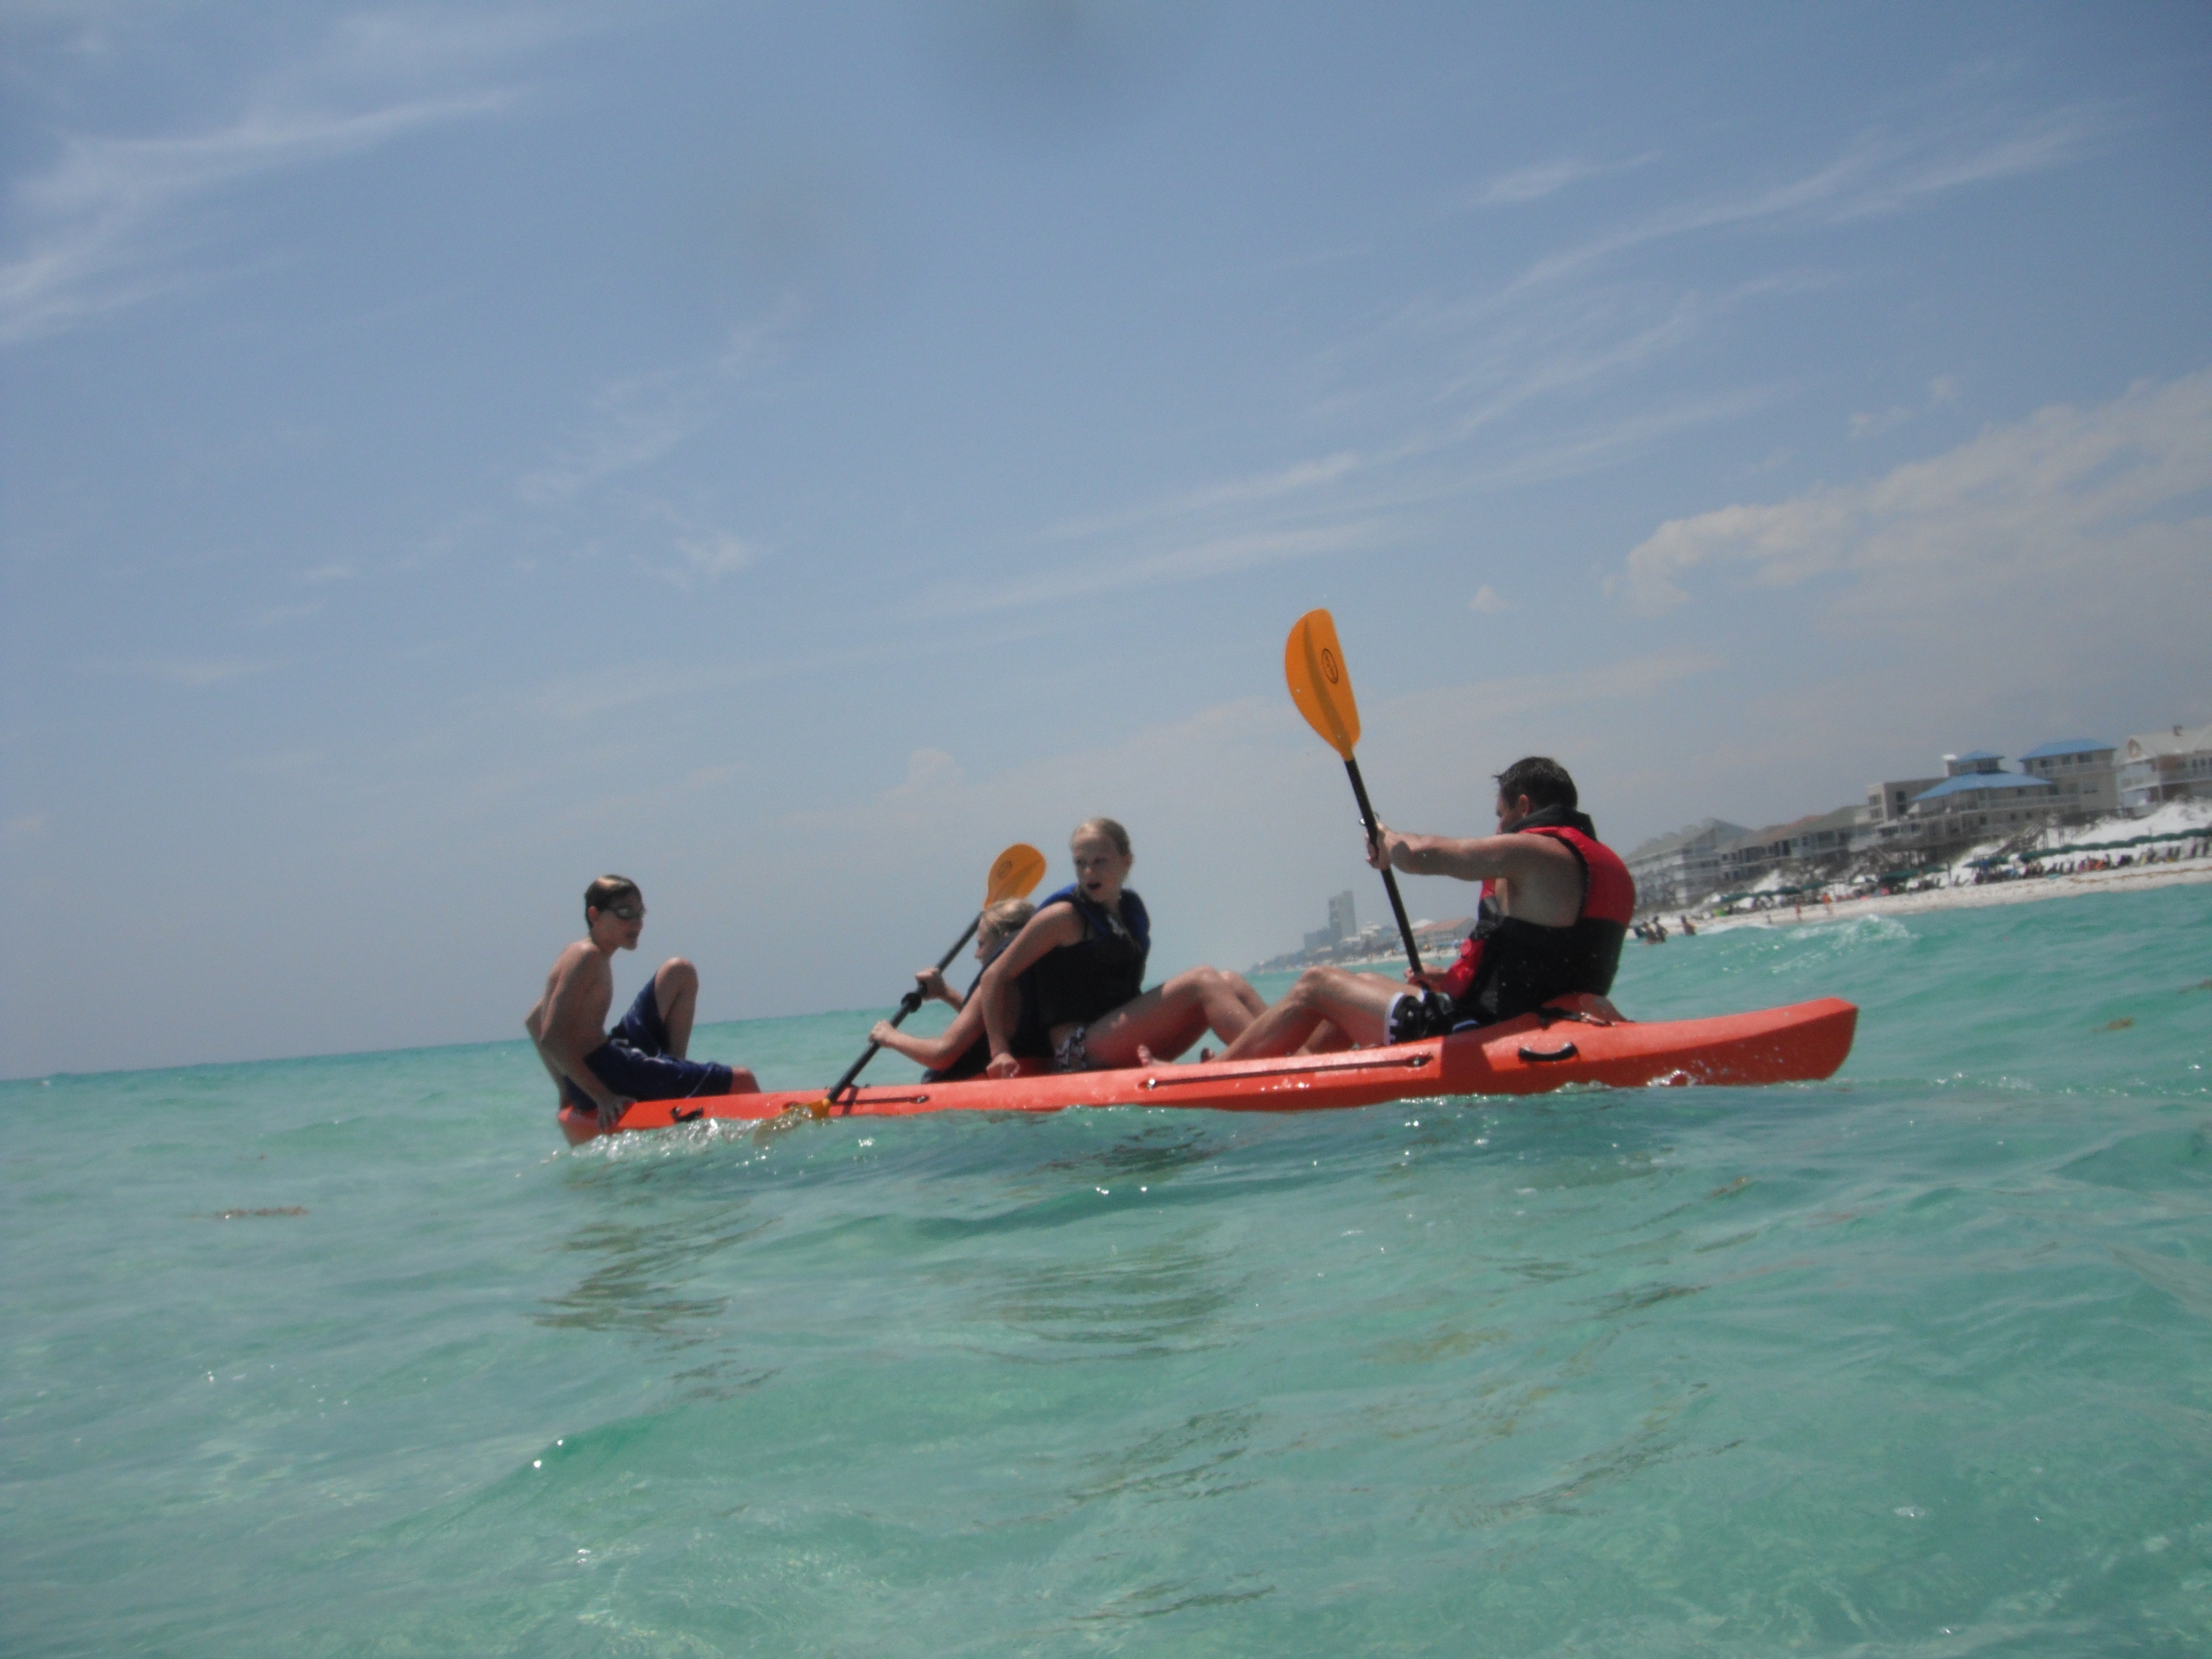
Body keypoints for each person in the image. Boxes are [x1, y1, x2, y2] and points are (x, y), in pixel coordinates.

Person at [1211, 757, 1634, 1061]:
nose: (1498, 829)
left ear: (1525, 807)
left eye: (1501, 816)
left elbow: (1421, 854)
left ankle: (1219, 1075)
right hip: (1545, 1022)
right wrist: (1449, 979)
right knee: (1365, 982)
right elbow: (1543, 963)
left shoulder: (1535, 851)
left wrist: (1386, 839)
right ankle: (1298, 1070)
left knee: (1316, 984)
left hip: (1482, 1034)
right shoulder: (1609, 869)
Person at [973, 818, 1266, 1077]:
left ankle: (1299, 1057)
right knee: (1203, 981)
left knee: (1230, 982)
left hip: (1119, 1038)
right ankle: (1263, 1060)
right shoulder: (1063, 918)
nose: (1089, 871)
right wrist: (999, 1051)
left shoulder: (1128, 914)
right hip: (1077, 1050)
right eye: (1080, 863)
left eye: (1100, 861)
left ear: (1126, 861)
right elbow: (993, 977)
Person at [525, 875, 758, 1132]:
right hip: (608, 1072)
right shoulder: (587, 956)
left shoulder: (584, 953)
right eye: (626, 913)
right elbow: (552, 1036)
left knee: (679, 972)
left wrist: (567, 1089)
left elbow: (536, 1018)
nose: (637, 923)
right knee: (742, 1081)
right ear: (595, 915)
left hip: (612, 1053)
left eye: (640, 913)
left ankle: (672, 1073)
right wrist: (600, 1096)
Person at [867, 898, 1039, 1081]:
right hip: (1031, 1075)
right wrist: (946, 993)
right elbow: (987, 1022)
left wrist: (890, 1036)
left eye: (982, 944)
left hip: (970, 1091)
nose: (977, 954)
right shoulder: (1040, 978)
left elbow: (941, 1055)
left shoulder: (996, 984)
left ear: (1004, 940)